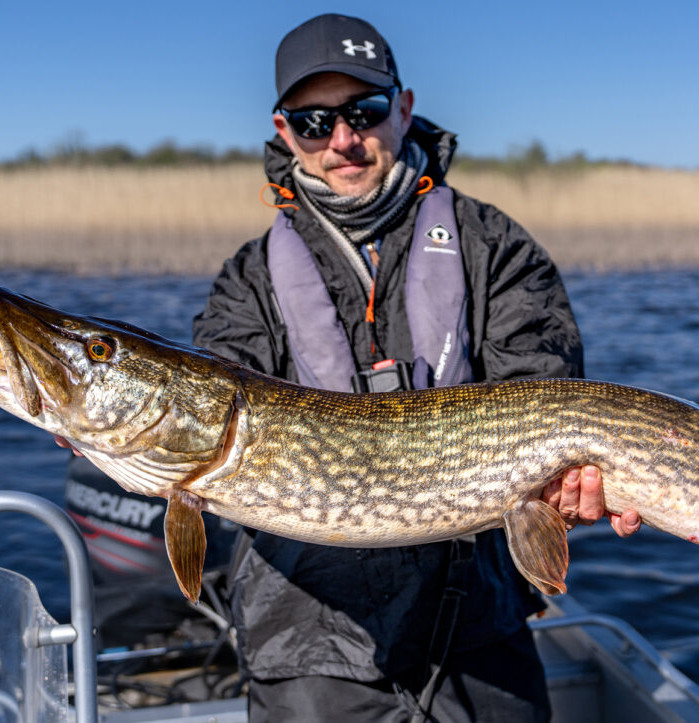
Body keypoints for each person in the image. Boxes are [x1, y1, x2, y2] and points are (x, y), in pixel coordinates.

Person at [192, 14, 640, 722]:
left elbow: (543, 393)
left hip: (477, 626)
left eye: (363, 112)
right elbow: (213, 390)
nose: (342, 139)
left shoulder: (492, 246)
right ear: (285, 132)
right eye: (314, 122)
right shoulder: (248, 281)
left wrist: (566, 489)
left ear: (403, 109)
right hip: (308, 646)